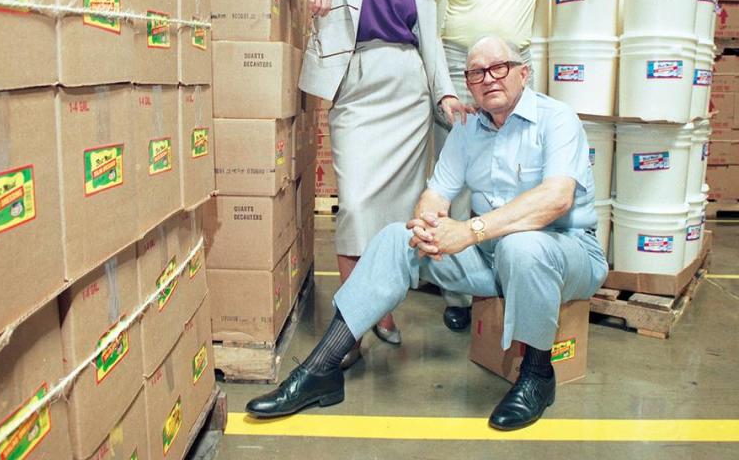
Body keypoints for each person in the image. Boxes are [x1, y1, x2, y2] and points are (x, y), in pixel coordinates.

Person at [245, 35, 609, 430]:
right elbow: (436, 193)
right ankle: (322, 368)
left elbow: (556, 198)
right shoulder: (468, 130)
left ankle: (538, 375)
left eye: (498, 68)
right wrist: (427, 225)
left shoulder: (557, 118)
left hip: (565, 253)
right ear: (467, 84)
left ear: (523, 73)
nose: (488, 79)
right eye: (476, 73)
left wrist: (469, 230)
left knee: (524, 247)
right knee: (393, 238)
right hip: (492, 260)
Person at [259, 0, 468, 368]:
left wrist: (443, 94)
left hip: (410, 94)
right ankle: (348, 326)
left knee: (397, 216)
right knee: (354, 205)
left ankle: (384, 309)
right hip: (357, 89)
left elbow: (432, 43)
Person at [420, 0, 610, 332]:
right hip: (462, 65)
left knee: (520, 178)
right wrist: (441, 80)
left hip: (512, 65)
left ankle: (520, 265)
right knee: (460, 181)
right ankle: (462, 296)